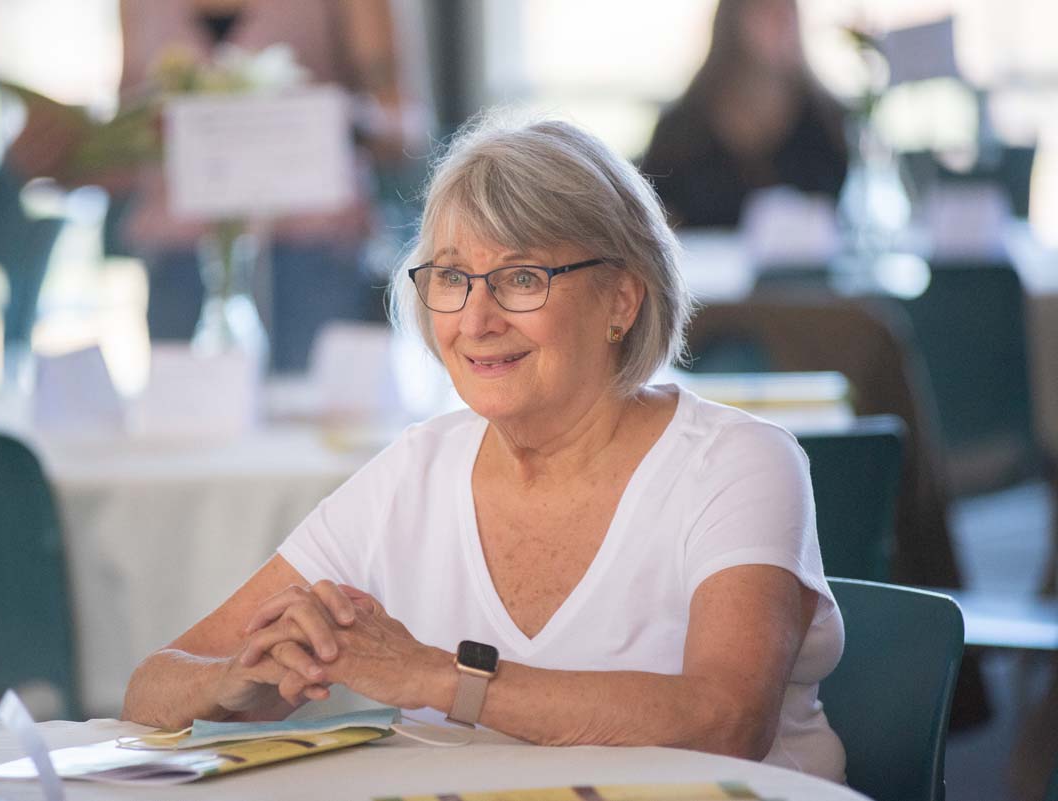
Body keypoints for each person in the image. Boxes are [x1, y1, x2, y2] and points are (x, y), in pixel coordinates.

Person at [122, 117, 846, 781]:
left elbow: (726, 722)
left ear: (622, 301)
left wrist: (437, 677)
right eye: (451, 278)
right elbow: (152, 685)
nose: (475, 319)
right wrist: (233, 681)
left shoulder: (738, 461)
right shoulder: (417, 470)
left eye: (522, 278)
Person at [116, 0, 428, 367]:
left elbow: (406, 125)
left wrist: (337, 120)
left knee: (317, 415)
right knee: (180, 419)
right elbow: (125, 127)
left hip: (316, 261)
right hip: (179, 263)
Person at [640, 0, 848, 228]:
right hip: (704, 262)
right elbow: (650, 216)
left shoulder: (828, 121)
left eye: (788, 10)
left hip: (807, 263)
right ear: (733, 20)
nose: (781, 21)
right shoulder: (682, 129)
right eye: (767, 10)